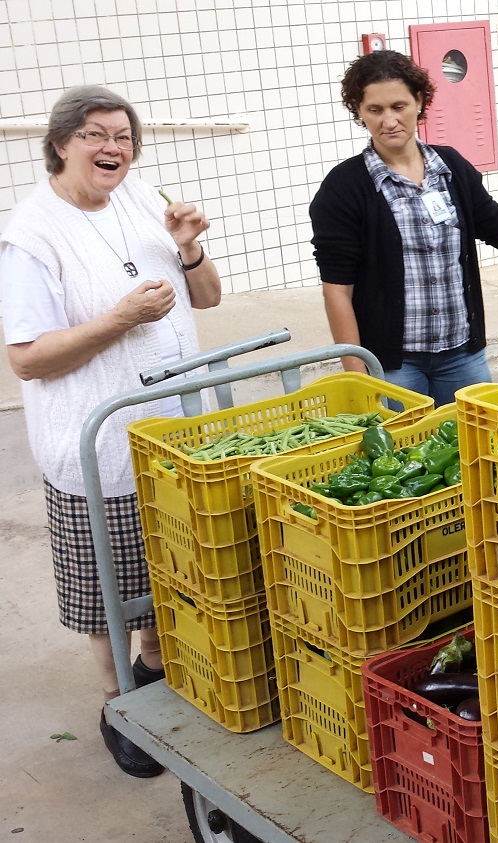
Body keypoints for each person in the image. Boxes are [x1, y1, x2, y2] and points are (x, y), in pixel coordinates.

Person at [0, 85, 223, 778]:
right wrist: (121, 320)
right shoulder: (32, 234)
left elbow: (209, 297)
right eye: (95, 134)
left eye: (124, 136)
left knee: (166, 565)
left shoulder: (141, 197)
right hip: (96, 444)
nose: (113, 148)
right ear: (60, 143)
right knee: (106, 585)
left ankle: (153, 665)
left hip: (172, 434)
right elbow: (28, 358)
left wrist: (188, 250)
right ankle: (116, 700)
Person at [311, 50, 498, 405]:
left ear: (419, 101)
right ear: (359, 111)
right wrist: (357, 374)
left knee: (478, 438)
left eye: (399, 106)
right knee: (406, 442)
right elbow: (337, 291)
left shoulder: (452, 169)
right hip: (393, 365)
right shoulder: (344, 187)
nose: (389, 120)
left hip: (462, 357)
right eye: (375, 110)